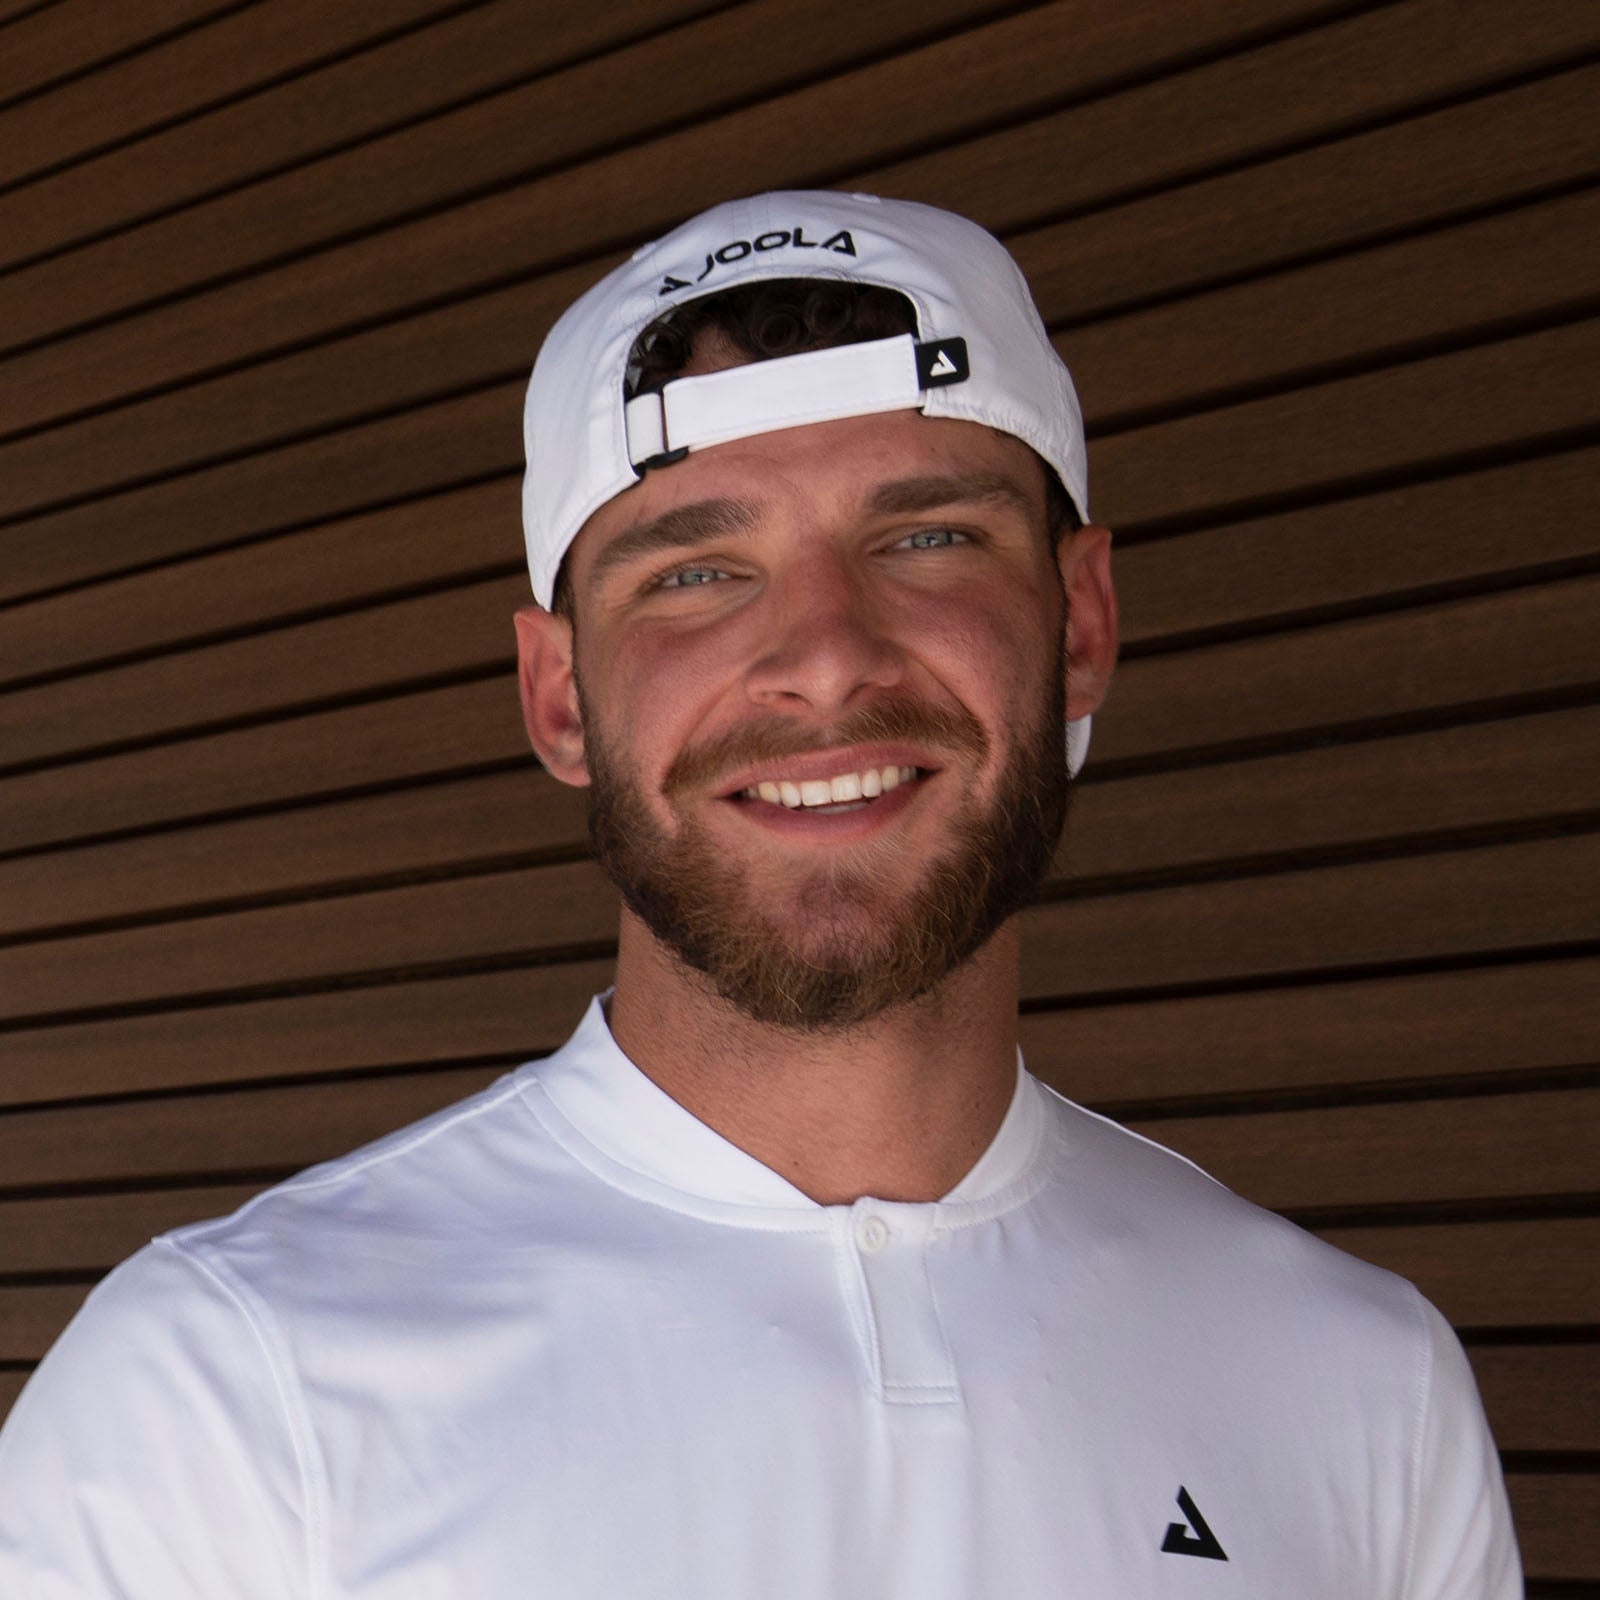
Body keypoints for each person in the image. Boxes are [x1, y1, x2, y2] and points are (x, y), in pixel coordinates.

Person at [0, 191, 1519, 1596]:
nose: (829, 654)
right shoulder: (223, 1400)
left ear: (1082, 623)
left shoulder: (1359, 1383)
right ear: (560, 698)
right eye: (695, 573)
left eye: (927, 538)